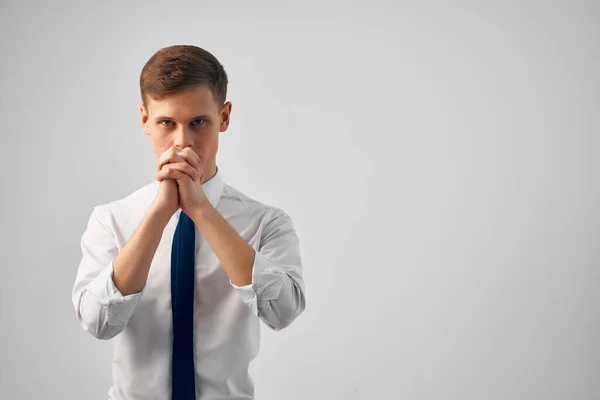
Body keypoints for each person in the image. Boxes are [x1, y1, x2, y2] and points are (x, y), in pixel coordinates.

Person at [71, 44, 307, 400]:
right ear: (144, 120)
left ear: (224, 118)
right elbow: (98, 323)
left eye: (199, 122)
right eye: (167, 122)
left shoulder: (266, 222)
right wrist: (160, 213)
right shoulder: (111, 220)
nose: (183, 142)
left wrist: (202, 210)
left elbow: (283, 312)